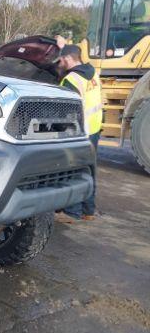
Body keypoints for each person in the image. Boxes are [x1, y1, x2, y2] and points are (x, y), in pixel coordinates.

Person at [54, 37, 102, 223]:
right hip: (94, 129)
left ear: (67, 59)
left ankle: (71, 212)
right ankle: (88, 210)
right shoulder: (93, 73)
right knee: (89, 170)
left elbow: (64, 111)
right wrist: (64, 45)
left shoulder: (71, 80)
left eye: (61, 60)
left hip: (79, 133)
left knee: (73, 171)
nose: (61, 64)